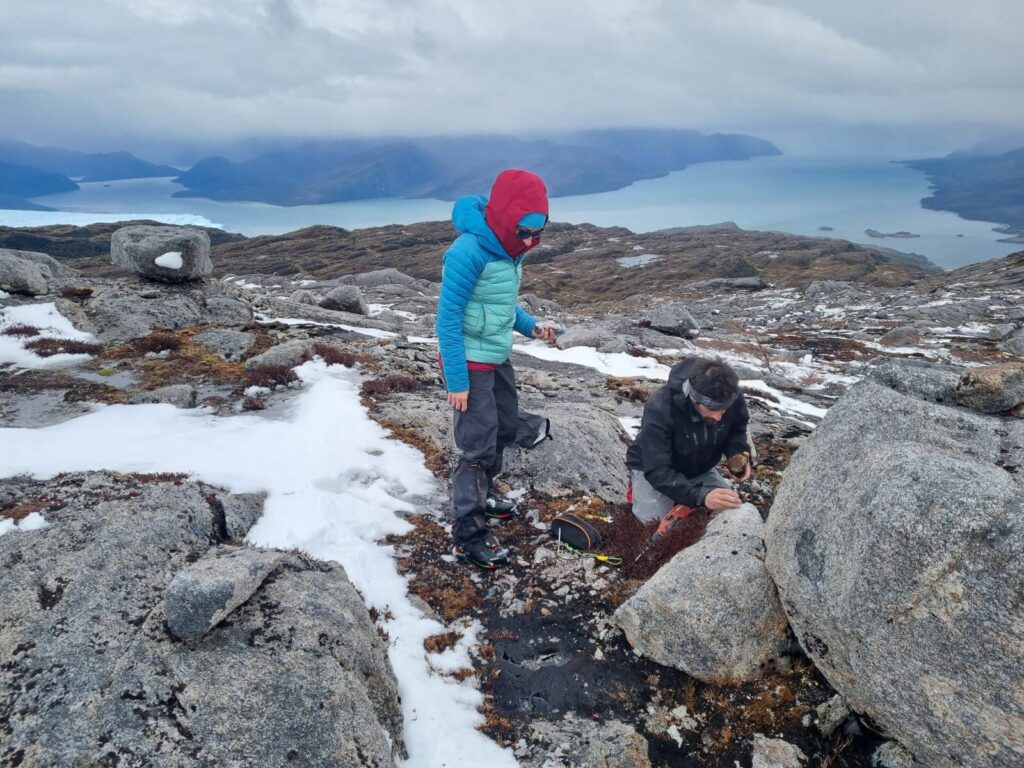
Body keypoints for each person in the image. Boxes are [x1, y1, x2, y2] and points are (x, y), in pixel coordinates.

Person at [436, 169, 558, 569]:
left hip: (496, 355)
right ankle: (468, 536)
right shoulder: (467, 252)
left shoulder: (510, 251)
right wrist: (457, 380)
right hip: (470, 364)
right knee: (477, 446)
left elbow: (503, 307)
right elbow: (447, 319)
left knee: (504, 427)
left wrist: (531, 327)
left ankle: (485, 494)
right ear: (505, 217)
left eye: (537, 232)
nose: (530, 241)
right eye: (524, 230)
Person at [626, 356, 752, 525]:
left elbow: (737, 429)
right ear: (695, 399)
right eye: (712, 409)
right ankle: (637, 489)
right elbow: (657, 469)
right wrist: (702, 496)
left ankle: (688, 493)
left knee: (731, 510)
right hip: (655, 469)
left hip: (700, 468)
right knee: (654, 524)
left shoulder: (728, 395)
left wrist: (736, 455)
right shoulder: (660, 408)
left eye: (724, 409)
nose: (718, 416)